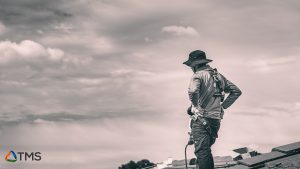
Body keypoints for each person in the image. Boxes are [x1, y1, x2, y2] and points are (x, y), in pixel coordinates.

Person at [183, 50, 242, 169]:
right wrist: (223, 106)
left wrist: (195, 105)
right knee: (205, 152)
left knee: (202, 153)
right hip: (215, 121)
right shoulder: (218, 76)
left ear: (195, 65)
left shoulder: (197, 75)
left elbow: (193, 91)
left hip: (201, 121)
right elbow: (236, 92)